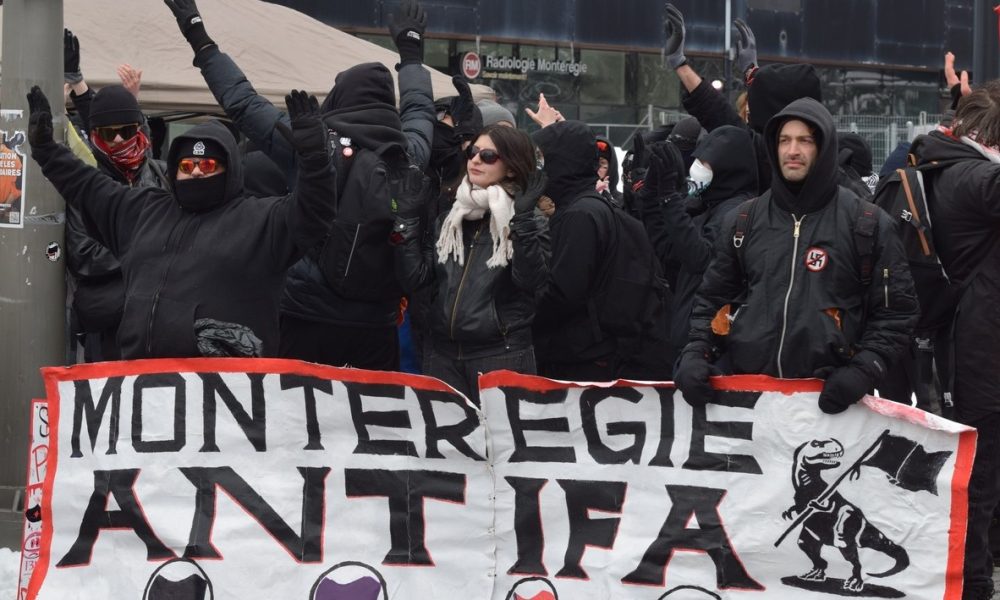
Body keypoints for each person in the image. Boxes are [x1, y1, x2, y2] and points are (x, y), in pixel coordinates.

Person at [163, 0, 435, 370]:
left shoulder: (313, 145)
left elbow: (242, 103)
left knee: (297, 420)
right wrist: (412, 53)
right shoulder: (409, 153)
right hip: (378, 324)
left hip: (306, 316)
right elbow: (420, 108)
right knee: (369, 422)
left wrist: (200, 38)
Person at [25, 85, 338, 359]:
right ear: (174, 170)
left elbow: (314, 212)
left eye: (208, 164)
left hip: (227, 391)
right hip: (144, 388)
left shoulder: (261, 219)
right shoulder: (145, 211)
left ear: (229, 170)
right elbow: (88, 186)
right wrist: (46, 150)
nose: (197, 172)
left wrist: (315, 160)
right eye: (187, 165)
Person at [674, 98, 918, 414]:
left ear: (824, 147)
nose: (793, 151)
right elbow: (712, 300)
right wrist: (696, 354)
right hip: (750, 401)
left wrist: (864, 369)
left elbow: (896, 313)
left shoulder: (867, 223)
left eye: (805, 141)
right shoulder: (743, 221)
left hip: (830, 407)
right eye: (785, 140)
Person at [908, 82, 1000, 600]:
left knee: (970, 475)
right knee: (980, 479)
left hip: (957, 346)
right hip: (980, 353)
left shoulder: (939, 165)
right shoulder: (976, 179)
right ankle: (973, 584)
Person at [393, 124, 549, 402]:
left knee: (500, 444)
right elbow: (417, 279)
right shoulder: (452, 216)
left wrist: (522, 222)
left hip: (501, 355)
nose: (475, 160)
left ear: (511, 167)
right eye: (474, 152)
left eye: (489, 156)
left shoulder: (529, 218)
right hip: (442, 355)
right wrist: (407, 219)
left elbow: (531, 281)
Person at [531, 118, 670, 381]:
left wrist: (519, 312)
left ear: (561, 162)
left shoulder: (581, 214)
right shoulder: (589, 206)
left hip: (584, 358)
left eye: (543, 159)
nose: (538, 168)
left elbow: (563, 293)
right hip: (598, 353)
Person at [61, 29, 171, 361]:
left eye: (128, 132)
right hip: (109, 322)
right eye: (110, 135)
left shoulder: (158, 171)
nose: (121, 141)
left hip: (159, 318)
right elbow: (83, 254)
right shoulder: (87, 184)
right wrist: (147, 250)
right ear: (96, 137)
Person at [640, 126, 758, 363]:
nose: (698, 168)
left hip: (713, 347)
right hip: (688, 338)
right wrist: (652, 191)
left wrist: (669, 198)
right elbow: (668, 248)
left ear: (729, 167)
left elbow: (701, 258)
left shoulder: (738, 211)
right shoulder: (707, 206)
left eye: (707, 162)